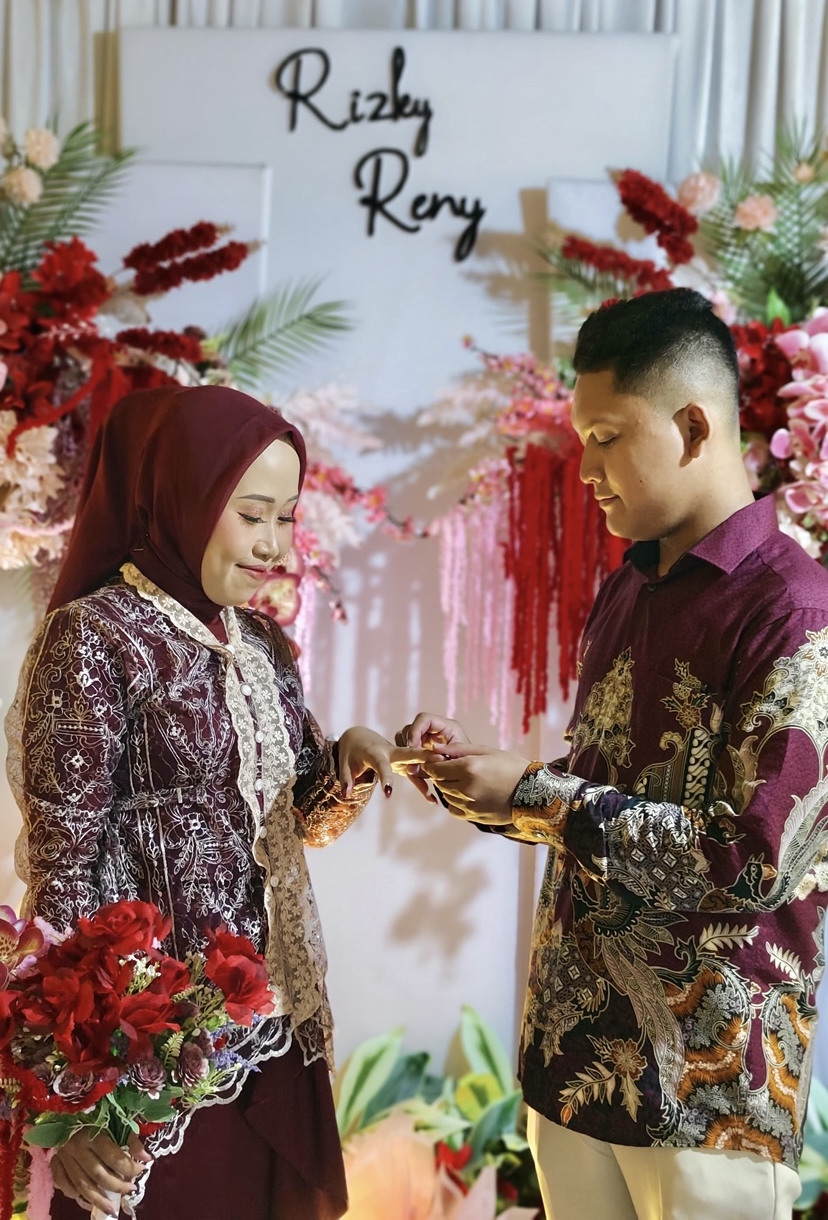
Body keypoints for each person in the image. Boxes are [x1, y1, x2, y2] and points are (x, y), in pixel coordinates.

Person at [398, 289, 828, 1220]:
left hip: (709, 1098)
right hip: (573, 1065)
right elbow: (596, 803)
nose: (586, 467)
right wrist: (488, 784)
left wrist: (535, 794)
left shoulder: (795, 611)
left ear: (692, 426)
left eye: (605, 437)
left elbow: (753, 862)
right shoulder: (628, 589)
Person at [6, 384, 408, 1220]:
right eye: (251, 514)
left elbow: (295, 822)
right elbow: (62, 877)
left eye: (286, 518)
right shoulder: (97, 638)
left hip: (268, 1033)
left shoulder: (259, 641)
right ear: (181, 498)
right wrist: (72, 1094)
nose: (272, 545)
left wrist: (353, 762)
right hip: (148, 1054)